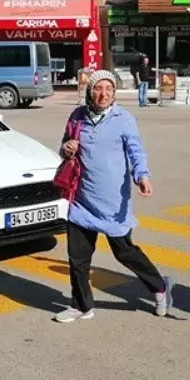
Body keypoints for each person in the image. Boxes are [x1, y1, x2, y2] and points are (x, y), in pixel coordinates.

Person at [54, 69, 174, 323]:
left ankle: (160, 287)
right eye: (99, 88)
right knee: (78, 258)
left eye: (109, 89)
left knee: (125, 253)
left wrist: (142, 175)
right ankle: (81, 306)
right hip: (82, 199)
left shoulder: (123, 118)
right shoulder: (78, 116)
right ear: (90, 91)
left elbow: (135, 151)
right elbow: (65, 145)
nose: (103, 94)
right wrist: (66, 148)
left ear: (114, 93)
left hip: (112, 201)